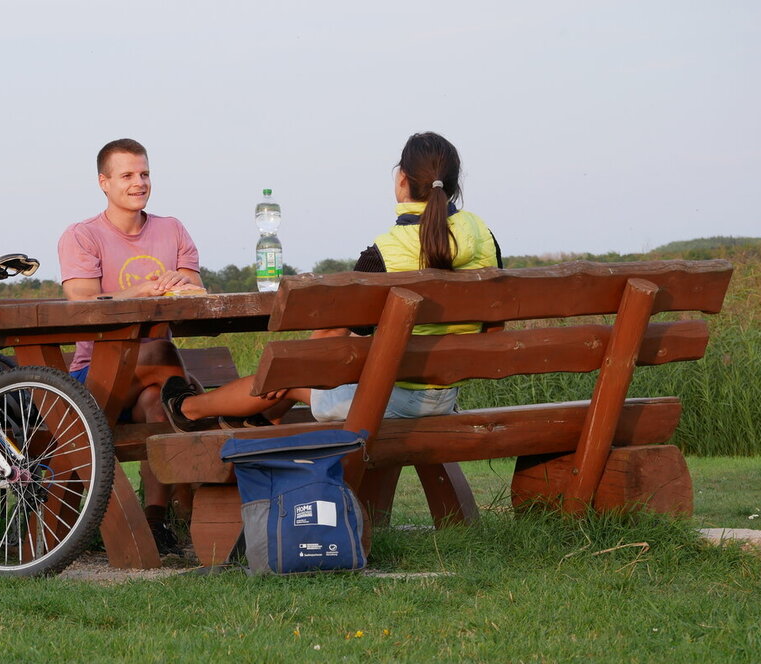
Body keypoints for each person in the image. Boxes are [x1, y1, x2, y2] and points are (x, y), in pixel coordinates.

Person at [161, 131, 502, 430]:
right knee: (296, 371)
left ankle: (188, 409)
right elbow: (493, 321)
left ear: (402, 179)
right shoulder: (483, 235)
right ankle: (255, 422)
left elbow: (334, 331)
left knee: (290, 375)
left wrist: (292, 368)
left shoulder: (385, 252)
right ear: (454, 183)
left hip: (392, 400)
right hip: (446, 394)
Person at [58, 138, 205, 554]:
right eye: (127, 175)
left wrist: (181, 283)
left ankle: (155, 522)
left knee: (159, 403)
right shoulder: (82, 235)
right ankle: (201, 414)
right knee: (160, 354)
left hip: (152, 382)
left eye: (144, 174)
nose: (138, 183)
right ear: (104, 182)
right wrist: (138, 292)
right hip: (96, 378)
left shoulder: (172, 229)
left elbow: (196, 287)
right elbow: (81, 301)